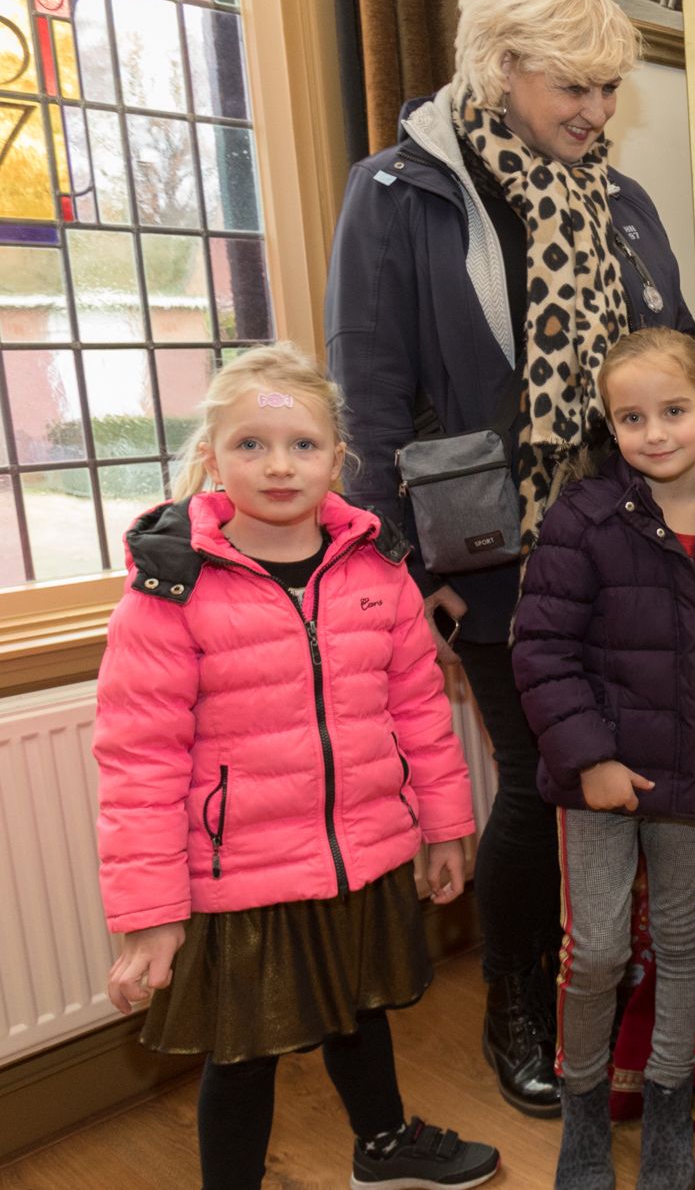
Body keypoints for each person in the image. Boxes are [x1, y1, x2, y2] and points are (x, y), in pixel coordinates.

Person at [326, 0, 694, 1116]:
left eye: (605, 91)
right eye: (569, 87)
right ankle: (517, 1007)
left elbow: (673, 359)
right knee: (544, 782)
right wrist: (401, 567)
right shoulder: (400, 194)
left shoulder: (623, 204)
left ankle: (613, 982)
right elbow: (371, 398)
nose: (592, 114)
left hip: (631, 534)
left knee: (628, 762)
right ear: (498, 68)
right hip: (487, 552)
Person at [92, 344, 498, 1190]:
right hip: (243, 873)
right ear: (212, 455)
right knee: (245, 1057)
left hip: (363, 850)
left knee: (360, 1008)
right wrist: (152, 912)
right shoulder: (170, 590)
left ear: (337, 460)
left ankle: (382, 1146)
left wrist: (447, 825)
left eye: (302, 445)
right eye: (251, 444)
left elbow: (420, 708)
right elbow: (139, 761)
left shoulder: (376, 566)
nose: (279, 465)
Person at [512, 329, 695, 1189]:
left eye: (673, 410)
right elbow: (539, 650)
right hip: (600, 783)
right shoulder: (585, 516)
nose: (655, 432)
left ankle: (671, 1105)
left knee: (682, 939)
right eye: (631, 416)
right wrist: (591, 759)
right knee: (598, 949)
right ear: (611, 426)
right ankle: (585, 1112)